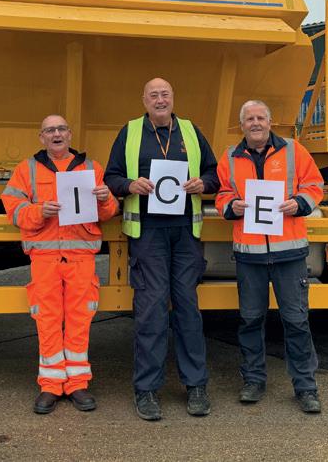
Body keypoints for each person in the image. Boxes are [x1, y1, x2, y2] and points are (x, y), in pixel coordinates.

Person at [104, 77, 219, 421]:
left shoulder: (191, 131)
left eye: (164, 94)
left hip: (185, 233)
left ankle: (196, 386)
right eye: (153, 95)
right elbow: (110, 177)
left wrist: (203, 183)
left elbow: (214, 174)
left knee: (188, 309)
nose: (159, 99)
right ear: (144, 101)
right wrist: (129, 185)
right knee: (151, 310)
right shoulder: (129, 132)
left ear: (173, 98)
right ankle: (146, 389)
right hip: (148, 233)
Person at [1, 115, 118, 414]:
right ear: (41, 137)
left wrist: (106, 198)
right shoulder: (26, 169)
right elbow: (13, 210)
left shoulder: (91, 168)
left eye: (61, 129)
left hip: (80, 258)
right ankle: (51, 385)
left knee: (80, 319)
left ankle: (78, 383)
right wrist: (40, 211)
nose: (57, 134)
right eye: (50, 130)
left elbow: (108, 212)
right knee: (48, 319)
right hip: (45, 258)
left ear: (69, 134)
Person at [215, 100, 324, 413]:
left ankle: (306, 387)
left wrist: (299, 203)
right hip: (250, 257)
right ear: (242, 125)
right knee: (250, 320)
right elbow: (222, 194)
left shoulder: (294, 151)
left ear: (270, 121)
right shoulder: (230, 157)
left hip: (289, 254)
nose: (255, 123)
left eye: (260, 117)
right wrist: (231, 206)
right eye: (249, 119)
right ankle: (253, 380)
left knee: (296, 320)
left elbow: (315, 185)